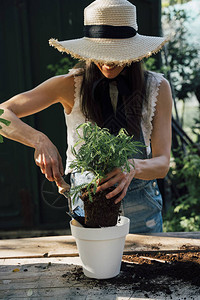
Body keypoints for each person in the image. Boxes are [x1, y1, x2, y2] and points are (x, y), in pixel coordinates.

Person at [0, 0, 172, 233]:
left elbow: (162, 163)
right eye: (101, 51)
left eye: (117, 51)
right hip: (90, 210)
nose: (108, 62)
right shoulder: (71, 84)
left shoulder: (157, 87)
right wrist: (38, 140)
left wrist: (133, 166)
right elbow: (3, 114)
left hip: (144, 212)